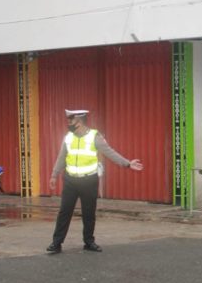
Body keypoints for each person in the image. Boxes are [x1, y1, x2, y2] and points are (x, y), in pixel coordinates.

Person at [46, 109, 144, 254]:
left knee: (89, 213)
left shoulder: (94, 136)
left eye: (71, 120)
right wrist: (54, 175)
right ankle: (56, 243)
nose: (68, 123)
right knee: (64, 212)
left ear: (79, 121)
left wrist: (127, 163)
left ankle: (89, 242)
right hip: (70, 180)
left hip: (88, 181)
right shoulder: (68, 137)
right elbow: (62, 157)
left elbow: (110, 152)